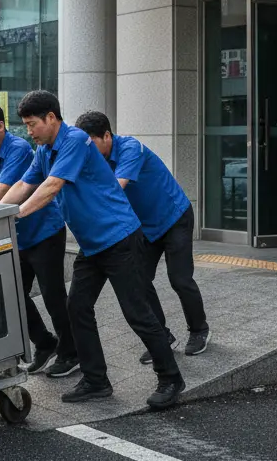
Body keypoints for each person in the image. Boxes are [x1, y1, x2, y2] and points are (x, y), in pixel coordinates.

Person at [2, 90, 184, 410]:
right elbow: (24, 185)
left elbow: (51, 186)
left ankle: (170, 378)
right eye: (26, 126)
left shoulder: (74, 140)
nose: (29, 131)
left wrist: (15, 216)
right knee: (78, 308)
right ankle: (96, 380)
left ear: (51, 118)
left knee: (137, 313)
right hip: (92, 245)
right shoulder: (44, 151)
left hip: (119, 239)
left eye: (33, 124)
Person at [76, 111, 209, 361]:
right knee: (140, 281)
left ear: (107, 135)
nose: (88, 152)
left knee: (179, 279)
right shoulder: (93, 157)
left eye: (92, 143)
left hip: (174, 217)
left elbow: (117, 187)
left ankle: (200, 330)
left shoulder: (130, 147)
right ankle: (162, 336)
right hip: (144, 228)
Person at [0, 102, 78, 378]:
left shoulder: (19, 149)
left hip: (44, 233)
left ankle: (71, 353)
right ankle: (45, 343)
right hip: (14, 236)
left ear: (0, 126)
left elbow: (3, 192)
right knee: (10, 293)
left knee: (53, 296)